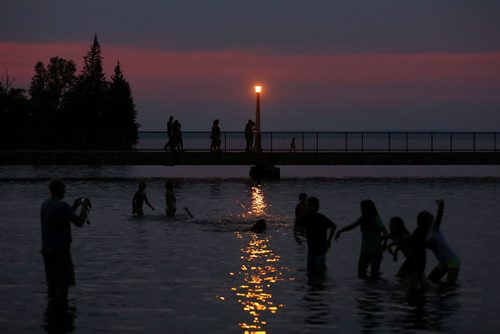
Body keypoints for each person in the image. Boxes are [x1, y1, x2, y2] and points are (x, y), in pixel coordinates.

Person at [40, 179, 91, 305]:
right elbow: (79, 223)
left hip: (47, 251)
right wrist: (84, 208)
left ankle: (51, 313)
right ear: (59, 190)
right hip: (60, 252)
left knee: (52, 284)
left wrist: (74, 206)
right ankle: (60, 313)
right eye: (63, 189)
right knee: (63, 284)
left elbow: (61, 217)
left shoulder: (46, 204)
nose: (65, 191)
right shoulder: (62, 206)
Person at [335, 200, 388, 279]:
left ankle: (375, 289)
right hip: (365, 251)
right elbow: (352, 226)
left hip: (376, 251)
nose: (361, 210)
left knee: (374, 275)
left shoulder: (376, 219)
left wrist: (384, 244)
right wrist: (340, 231)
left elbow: (385, 233)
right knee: (361, 274)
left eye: (362, 208)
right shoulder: (363, 219)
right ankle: (367, 289)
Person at [296, 197, 337, 273]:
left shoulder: (320, 218)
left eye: (308, 206)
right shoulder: (306, 218)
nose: (306, 207)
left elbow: (333, 226)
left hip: (320, 248)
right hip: (311, 249)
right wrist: (296, 237)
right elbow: (296, 223)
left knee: (320, 269)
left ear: (313, 207)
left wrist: (329, 241)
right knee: (311, 270)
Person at [426, 199, 461, 285]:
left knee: (450, 285)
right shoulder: (423, 233)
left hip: (452, 260)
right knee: (431, 280)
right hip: (443, 261)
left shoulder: (433, 228)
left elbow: (439, 218)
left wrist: (441, 206)